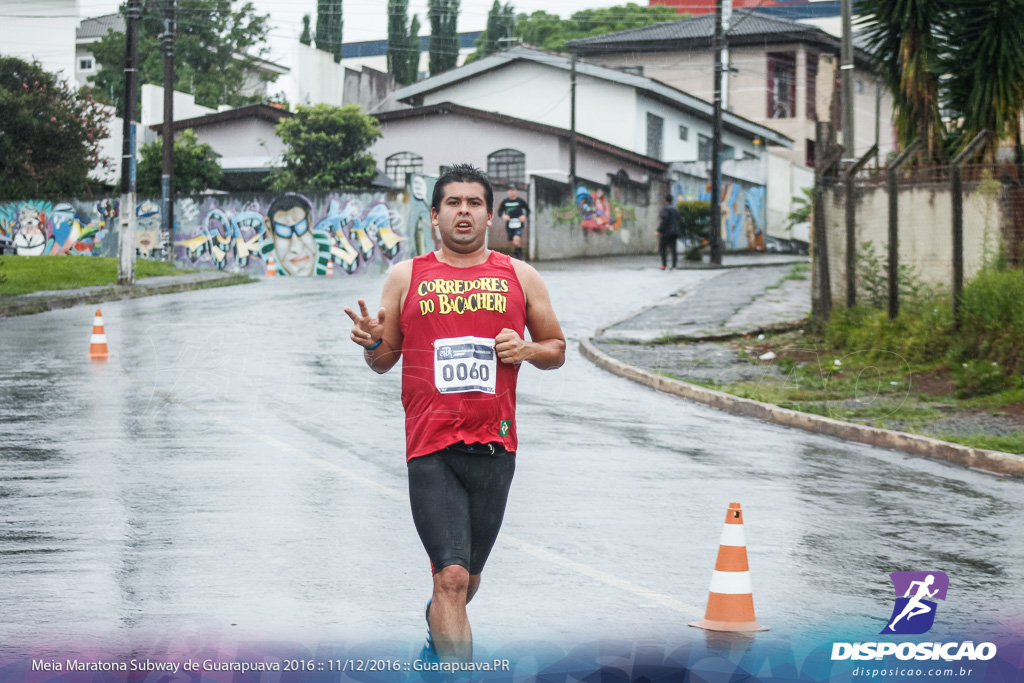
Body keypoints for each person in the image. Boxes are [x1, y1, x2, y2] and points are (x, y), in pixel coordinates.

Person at [343, 164, 566, 663]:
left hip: (496, 445)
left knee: (469, 580)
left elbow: (557, 347)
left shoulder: (520, 275)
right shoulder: (407, 276)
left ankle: (439, 621)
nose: (463, 210)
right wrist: (371, 342)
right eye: (452, 202)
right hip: (431, 445)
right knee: (452, 576)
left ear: (490, 215)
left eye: (473, 203)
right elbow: (384, 361)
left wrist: (527, 350)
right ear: (435, 214)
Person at [497, 183, 529, 260]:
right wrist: (503, 216)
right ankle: (516, 256)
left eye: (513, 190)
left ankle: (519, 257)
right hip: (509, 224)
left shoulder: (520, 201)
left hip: (518, 224)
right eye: (510, 190)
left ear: (516, 191)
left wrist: (524, 216)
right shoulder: (505, 201)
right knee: (512, 243)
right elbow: (499, 212)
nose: (511, 192)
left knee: (516, 240)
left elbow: (528, 210)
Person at [657, 193, 680, 270]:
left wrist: (659, 230)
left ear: (665, 200)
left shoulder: (665, 208)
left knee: (662, 248)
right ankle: (674, 265)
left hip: (666, 232)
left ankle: (664, 264)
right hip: (674, 232)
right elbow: (678, 219)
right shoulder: (675, 209)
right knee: (673, 249)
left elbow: (664, 220)